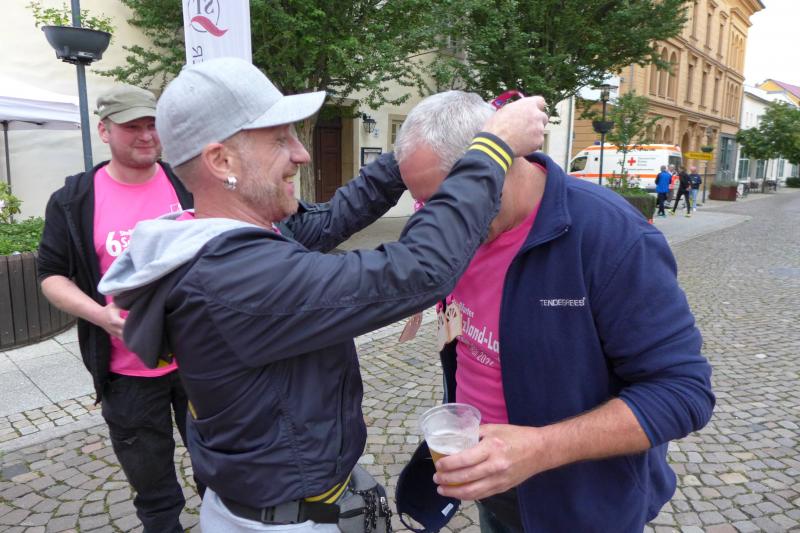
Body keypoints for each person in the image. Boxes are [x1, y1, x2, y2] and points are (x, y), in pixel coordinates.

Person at [97, 58, 549, 532]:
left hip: (294, 505)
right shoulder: (234, 276)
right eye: (279, 139)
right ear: (221, 161)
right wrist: (490, 148)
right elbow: (418, 270)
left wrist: (429, 143)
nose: (301, 154)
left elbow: (333, 218)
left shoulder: (230, 237)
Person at [393, 91, 715, 533]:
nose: (435, 222)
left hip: (581, 504)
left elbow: (683, 392)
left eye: (447, 201)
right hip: (492, 481)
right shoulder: (452, 232)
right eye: (423, 205)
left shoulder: (611, 236)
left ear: (498, 165)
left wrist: (539, 448)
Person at [37, 85, 197, 532]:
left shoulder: (188, 182)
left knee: (221, 469)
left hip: (200, 360)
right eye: (133, 127)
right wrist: (101, 317)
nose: (146, 136)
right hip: (127, 373)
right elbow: (51, 275)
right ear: (105, 131)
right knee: (154, 489)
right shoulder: (73, 200)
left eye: (153, 125)